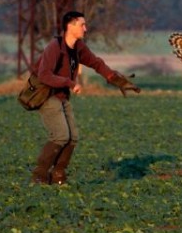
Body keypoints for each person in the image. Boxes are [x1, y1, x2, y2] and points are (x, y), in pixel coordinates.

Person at [31, 11, 140, 185]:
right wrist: (69, 82)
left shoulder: (78, 47)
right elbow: (44, 75)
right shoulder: (55, 47)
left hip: (62, 96)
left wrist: (116, 79)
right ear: (70, 26)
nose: (85, 28)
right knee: (61, 136)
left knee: (72, 137)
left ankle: (58, 174)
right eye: (82, 24)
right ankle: (39, 175)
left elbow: (96, 63)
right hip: (47, 95)